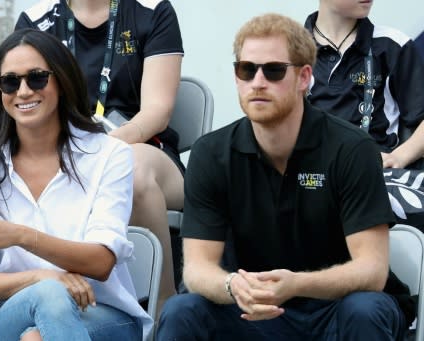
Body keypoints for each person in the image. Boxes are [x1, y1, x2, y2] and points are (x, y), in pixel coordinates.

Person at [156, 13, 413, 340]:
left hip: (332, 309)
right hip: (251, 311)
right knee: (182, 311)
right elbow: (197, 269)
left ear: (304, 77)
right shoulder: (211, 153)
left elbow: (372, 271)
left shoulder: (352, 149)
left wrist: (297, 285)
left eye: (274, 71)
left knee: (365, 309)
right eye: (246, 70)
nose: (258, 82)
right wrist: (232, 286)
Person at [0, 28, 152, 341]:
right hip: (9, 317)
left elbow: (100, 262)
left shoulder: (108, 154)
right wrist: (42, 279)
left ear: (62, 81)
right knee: (47, 298)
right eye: (10, 82)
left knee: (35, 338)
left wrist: (21, 236)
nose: (24, 91)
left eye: (37, 78)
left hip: (105, 316)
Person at [14, 0, 184, 309]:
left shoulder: (151, 9)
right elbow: (21, 103)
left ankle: (162, 307)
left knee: (129, 167)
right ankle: (61, 302)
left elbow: (157, 112)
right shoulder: (37, 19)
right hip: (60, 152)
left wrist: (100, 152)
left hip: (144, 147)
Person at [304, 0, 424, 169]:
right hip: (310, 175)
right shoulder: (289, 49)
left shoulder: (393, 45)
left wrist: (398, 157)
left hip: (376, 173)